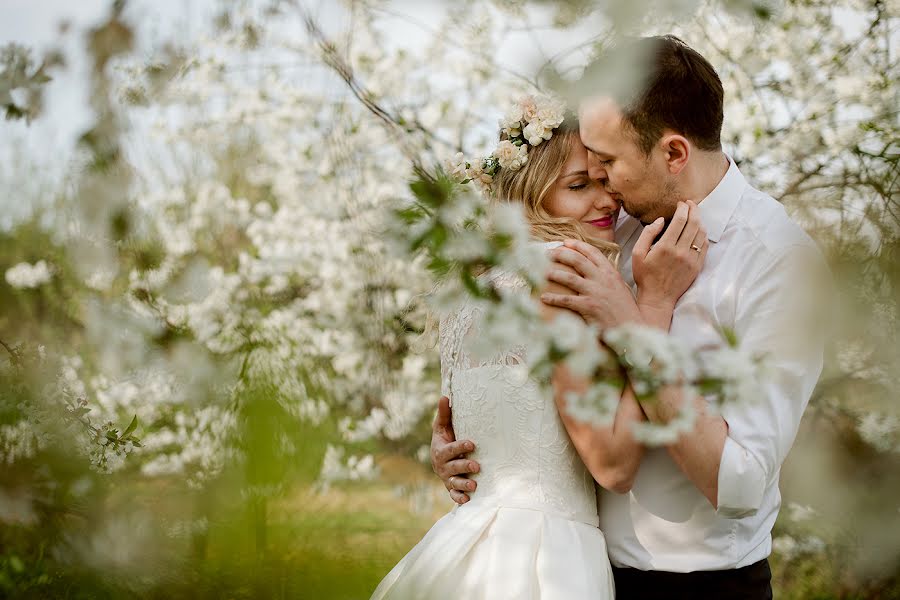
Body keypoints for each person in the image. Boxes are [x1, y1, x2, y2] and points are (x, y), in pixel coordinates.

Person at [432, 35, 829, 599]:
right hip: (575, 570)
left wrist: (636, 324)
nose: (602, 184)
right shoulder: (604, 226)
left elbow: (739, 481)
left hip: (699, 585)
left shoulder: (779, 261)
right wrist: (480, 450)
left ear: (672, 154)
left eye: (608, 162)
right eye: (588, 169)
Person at [372, 96, 706, 599]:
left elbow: (480, 422)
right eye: (578, 186)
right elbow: (613, 465)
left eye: (604, 180)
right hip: (544, 560)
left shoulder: (469, 291)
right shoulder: (562, 270)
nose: (606, 201)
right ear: (528, 195)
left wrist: (444, 452)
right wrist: (655, 308)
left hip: (468, 545)